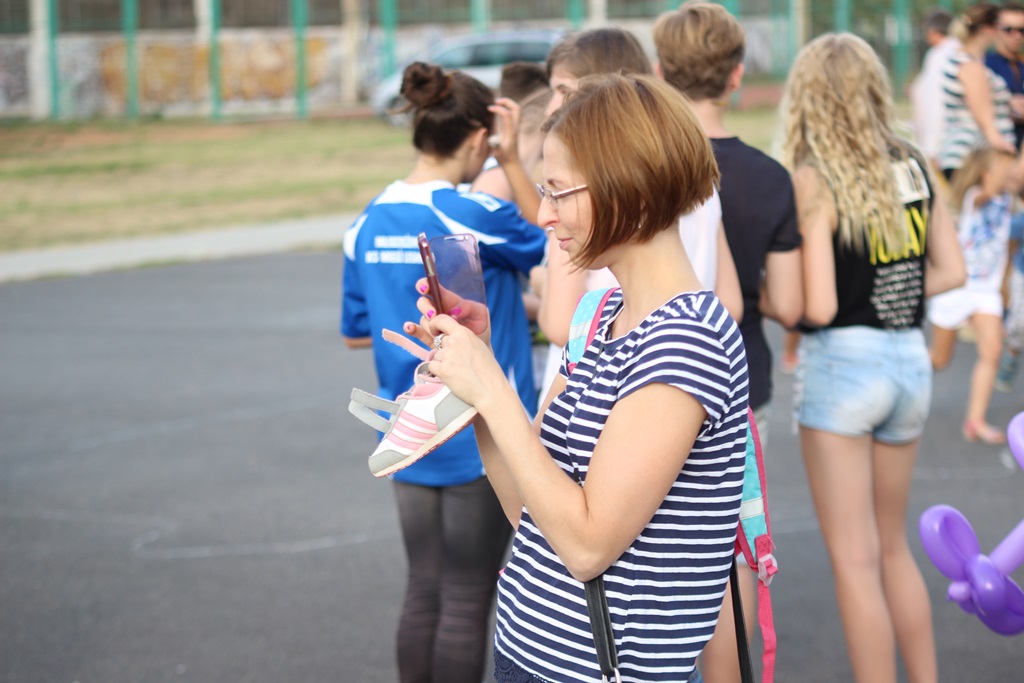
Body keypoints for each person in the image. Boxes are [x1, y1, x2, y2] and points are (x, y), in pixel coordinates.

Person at [408, 73, 748, 683]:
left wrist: (490, 385)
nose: (542, 213)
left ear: (632, 190)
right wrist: (477, 378)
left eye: (559, 192)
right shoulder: (608, 320)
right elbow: (531, 511)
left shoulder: (687, 339)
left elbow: (588, 545)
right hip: (531, 653)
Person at [340, 62, 547, 683]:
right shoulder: (474, 210)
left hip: (404, 421)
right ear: (481, 138)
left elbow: (355, 330)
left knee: (424, 589)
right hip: (473, 424)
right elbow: (555, 242)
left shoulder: (367, 220)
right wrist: (514, 163)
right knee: (466, 598)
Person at [782, 33, 966, 683]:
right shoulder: (914, 163)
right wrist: (895, 287)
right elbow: (951, 271)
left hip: (843, 366)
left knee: (855, 559)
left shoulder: (813, 176)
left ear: (810, 97)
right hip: (908, 359)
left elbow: (822, 306)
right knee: (892, 547)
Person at [651, 4, 803, 681]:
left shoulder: (645, 169)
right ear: (738, 75)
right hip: (741, 387)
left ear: (657, 73)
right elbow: (789, 304)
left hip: (653, 381)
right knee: (733, 549)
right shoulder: (770, 177)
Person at [535, 27, 743, 404]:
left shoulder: (680, 348)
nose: (552, 107)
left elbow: (557, 321)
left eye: (564, 92)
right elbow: (731, 302)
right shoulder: (602, 311)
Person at [929, 146, 1016, 443]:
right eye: (1005, 167)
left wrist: (1003, 288)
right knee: (939, 360)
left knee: (992, 350)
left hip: (985, 290)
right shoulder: (975, 197)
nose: (1013, 171)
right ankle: (898, 377)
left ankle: (975, 421)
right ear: (988, 173)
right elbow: (985, 192)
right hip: (958, 285)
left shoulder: (1010, 200)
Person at [939, 3, 1016, 179]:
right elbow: (986, 122)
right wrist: (1008, 152)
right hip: (974, 158)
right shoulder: (971, 66)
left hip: (965, 154)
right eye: (1004, 28)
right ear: (988, 29)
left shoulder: (961, 59)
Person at [911, 8, 959, 168]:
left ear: (932, 31)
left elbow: (935, 104)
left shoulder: (939, 56)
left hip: (942, 144)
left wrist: (932, 147)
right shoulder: (955, 50)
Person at [985, 2, 1024, 149]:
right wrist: (1008, 105)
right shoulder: (986, 66)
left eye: (1022, 30)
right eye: (1009, 30)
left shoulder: (1021, 65)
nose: (1017, 36)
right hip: (999, 150)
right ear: (995, 30)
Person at [996, 214, 1024, 390]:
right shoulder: (1019, 222)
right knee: (1020, 324)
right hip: (1021, 276)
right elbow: (1011, 252)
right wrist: (1005, 283)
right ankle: (1013, 352)